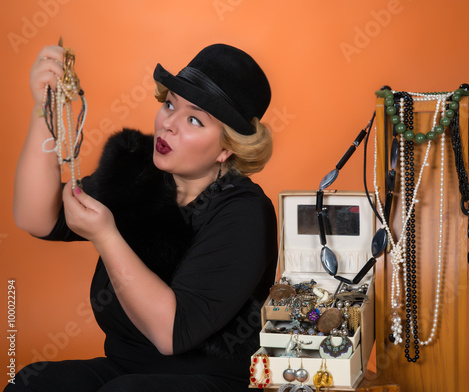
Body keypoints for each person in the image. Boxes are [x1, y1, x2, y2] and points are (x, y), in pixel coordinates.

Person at [7, 43, 277, 392]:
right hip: (124, 370)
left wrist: (107, 237)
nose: (168, 125)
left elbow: (171, 333)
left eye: (194, 119)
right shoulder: (136, 172)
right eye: (169, 105)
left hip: (211, 382)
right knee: (32, 384)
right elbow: (36, 217)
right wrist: (44, 110)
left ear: (228, 147)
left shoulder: (243, 213)